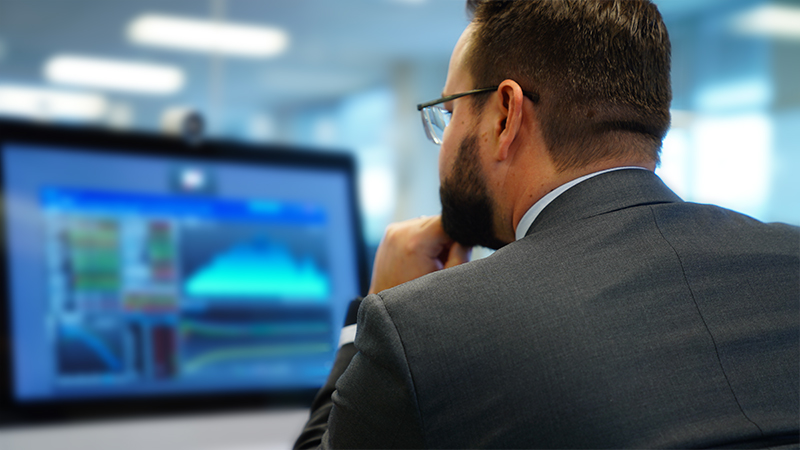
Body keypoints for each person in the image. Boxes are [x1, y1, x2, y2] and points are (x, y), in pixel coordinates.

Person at [295, 0, 800, 448]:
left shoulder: (422, 329)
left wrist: (368, 318)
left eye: (449, 113)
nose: (443, 142)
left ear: (504, 116)